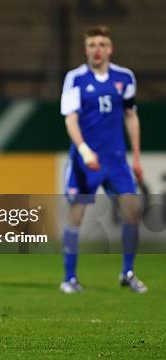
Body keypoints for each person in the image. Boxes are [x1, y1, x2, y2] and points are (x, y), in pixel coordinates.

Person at [59, 25, 146, 294]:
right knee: (76, 215)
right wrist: (84, 150)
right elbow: (71, 119)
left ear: (110, 48)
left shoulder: (125, 77)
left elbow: (130, 116)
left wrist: (136, 157)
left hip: (117, 160)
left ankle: (128, 273)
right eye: (92, 44)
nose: (97, 49)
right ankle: (70, 278)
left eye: (102, 44)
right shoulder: (75, 78)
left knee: (132, 212)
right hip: (86, 159)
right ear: (86, 49)